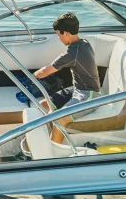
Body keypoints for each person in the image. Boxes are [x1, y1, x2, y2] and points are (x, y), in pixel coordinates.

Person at [31, 12, 101, 142]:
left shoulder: (73, 52)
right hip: (77, 89)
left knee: (59, 118)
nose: (59, 38)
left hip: (90, 95)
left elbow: (47, 71)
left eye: (59, 34)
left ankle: (51, 155)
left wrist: (32, 77)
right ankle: (42, 141)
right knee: (43, 105)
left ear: (66, 33)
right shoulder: (84, 43)